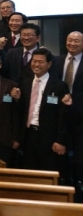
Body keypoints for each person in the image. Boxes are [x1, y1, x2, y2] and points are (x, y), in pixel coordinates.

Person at [19, 48, 70, 174]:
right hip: (28, 136)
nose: (36, 64)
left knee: (48, 173)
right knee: (29, 173)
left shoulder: (59, 86)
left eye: (40, 62)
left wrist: (60, 140)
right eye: (34, 61)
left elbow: (63, 116)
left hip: (49, 138)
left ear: (49, 64)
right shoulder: (25, 83)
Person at [54, 32, 83, 186]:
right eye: (70, 40)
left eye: (76, 41)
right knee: (60, 156)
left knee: (79, 158)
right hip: (59, 114)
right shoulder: (56, 60)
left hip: (80, 116)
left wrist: (74, 103)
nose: (72, 43)